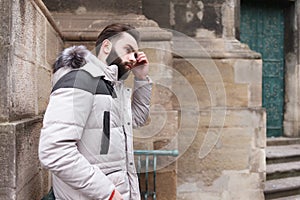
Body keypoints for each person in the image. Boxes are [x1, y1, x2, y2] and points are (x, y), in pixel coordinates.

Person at [39, 23, 152, 200]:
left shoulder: (111, 87)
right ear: (106, 46)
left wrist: (142, 79)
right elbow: (55, 150)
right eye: (128, 49)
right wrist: (109, 194)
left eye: (135, 53)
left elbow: (136, 119)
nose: (133, 57)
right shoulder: (81, 78)